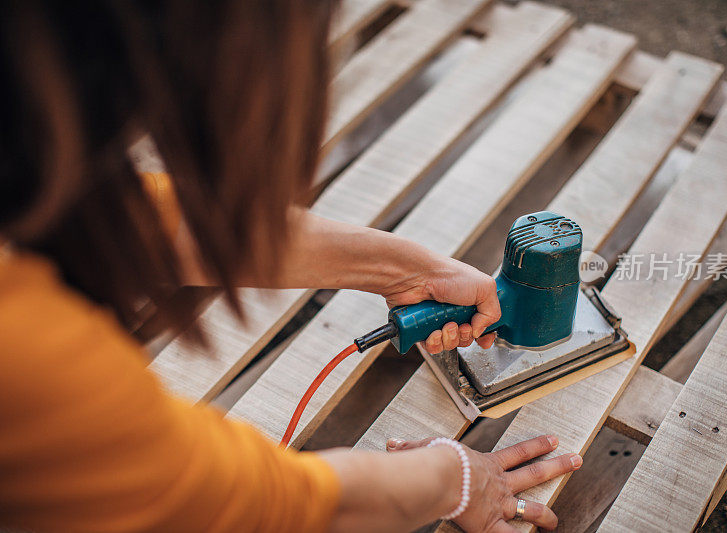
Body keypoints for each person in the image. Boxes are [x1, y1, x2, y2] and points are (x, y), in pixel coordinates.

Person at [0, 1, 582, 532]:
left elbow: (134, 222)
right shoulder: (29, 354)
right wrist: (455, 480)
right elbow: (253, 503)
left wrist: (400, 269)